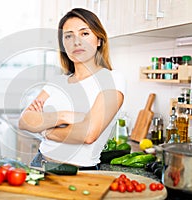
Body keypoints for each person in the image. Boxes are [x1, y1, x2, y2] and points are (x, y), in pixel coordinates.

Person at [18, 8, 125, 170]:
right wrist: (63, 116)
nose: (76, 42)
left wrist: (45, 130)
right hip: (39, 164)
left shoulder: (112, 79)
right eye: (68, 36)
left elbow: (88, 134)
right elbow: (24, 120)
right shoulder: (57, 82)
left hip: (80, 172)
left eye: (84, 33)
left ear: (99, 40)